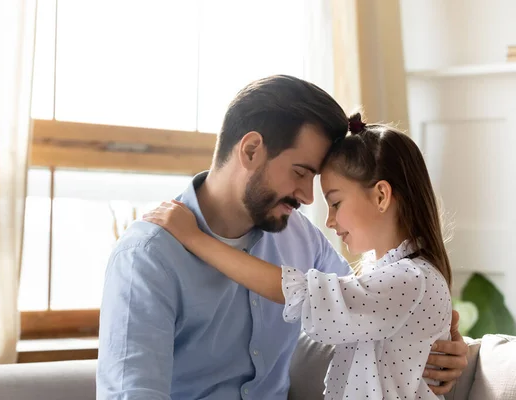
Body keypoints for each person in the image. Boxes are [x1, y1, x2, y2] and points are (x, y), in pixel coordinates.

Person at [96, 75, 468, 400]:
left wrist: (444, 346)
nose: (307, 198)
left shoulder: (299, 236)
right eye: (301, 172)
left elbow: (360, 307)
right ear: (252, 150)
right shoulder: (147, 257)